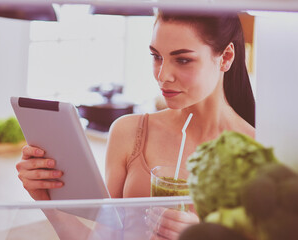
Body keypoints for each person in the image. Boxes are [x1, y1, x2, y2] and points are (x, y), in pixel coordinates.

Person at [16, 10, 255, 240]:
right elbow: (103, 239)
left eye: (183, 60)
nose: (163, 75)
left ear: (225, 57)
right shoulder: (128, 133)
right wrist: (48, 203)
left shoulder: (259, 151)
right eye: (157, 56)